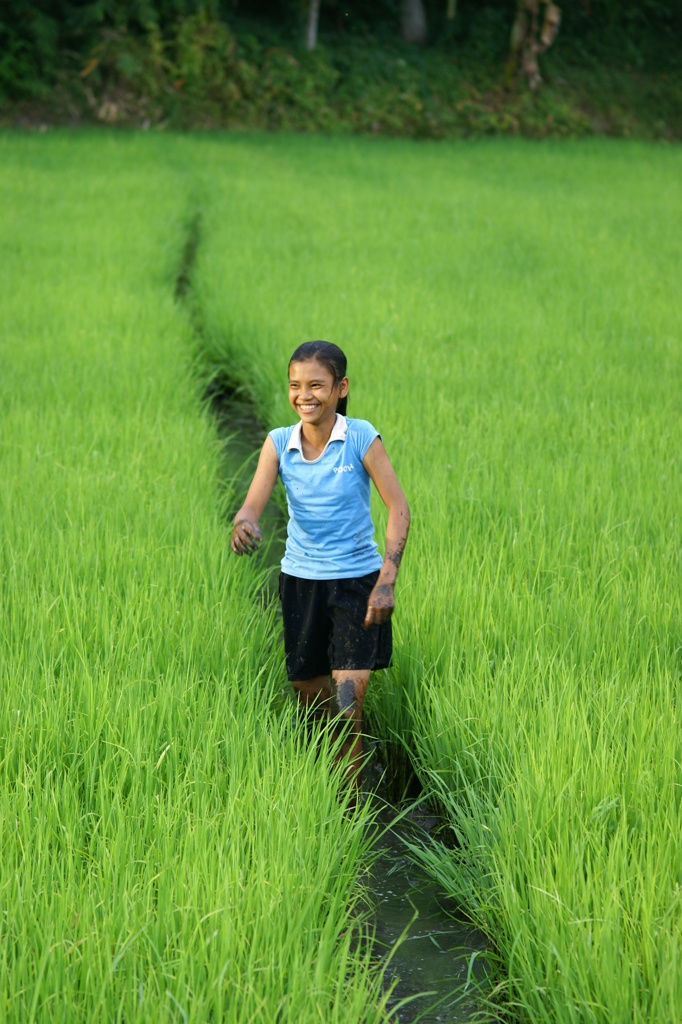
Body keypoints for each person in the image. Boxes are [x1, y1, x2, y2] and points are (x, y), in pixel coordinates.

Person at [231, 340, 410, 793]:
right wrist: (244, 523)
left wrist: (386, 581)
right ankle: (322, 786)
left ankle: (350, 806)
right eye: (295, 385)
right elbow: (253, 505)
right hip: (301, 583)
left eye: (316, 385)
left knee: (350, 701)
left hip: (356, 583)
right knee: (310, 700)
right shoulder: (277, 444)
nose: (304, 395)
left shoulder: (361, 438)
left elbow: (399, 508)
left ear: (340, 387)